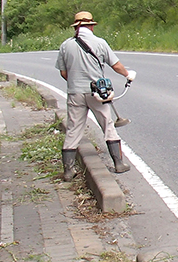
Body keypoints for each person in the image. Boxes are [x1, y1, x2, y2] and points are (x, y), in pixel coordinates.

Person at [56, 11, 136, 180]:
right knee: (107, 125)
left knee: (73, 129)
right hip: (97, 93)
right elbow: (116, 65)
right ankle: (119, 164)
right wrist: (127, 75)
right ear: (91, 26)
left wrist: (76, 83)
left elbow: (63, 73)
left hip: (75, 93)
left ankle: (68, 171)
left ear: (76, 27)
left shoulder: (65, 45)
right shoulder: (100, 43)